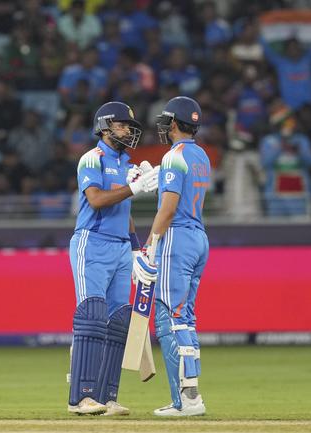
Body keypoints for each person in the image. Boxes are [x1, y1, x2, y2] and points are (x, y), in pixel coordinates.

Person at [67, 101, 159, 416]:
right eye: (123, 125)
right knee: (92, 316)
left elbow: (124, 211)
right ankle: (81, 397)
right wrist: (133, 188)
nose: (129, 131)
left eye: (132, 127)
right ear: (105, 127)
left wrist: (135, 248)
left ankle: (106, 398)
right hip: (91, 243)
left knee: (119, 322)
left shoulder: (125, 163)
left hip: (121, 246)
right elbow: (95, 201)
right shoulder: (91, 159)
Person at [131, 96, 210, 416]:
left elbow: (168, 207)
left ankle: (187, 399)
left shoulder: (174, 155)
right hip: (199, 237)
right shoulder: (200, 155)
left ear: (174, 123)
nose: (163, 127)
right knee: (185, 316)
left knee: (171, 319)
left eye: (166, 121)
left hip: (176, 239)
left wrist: (150, 244)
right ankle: (188, 396)